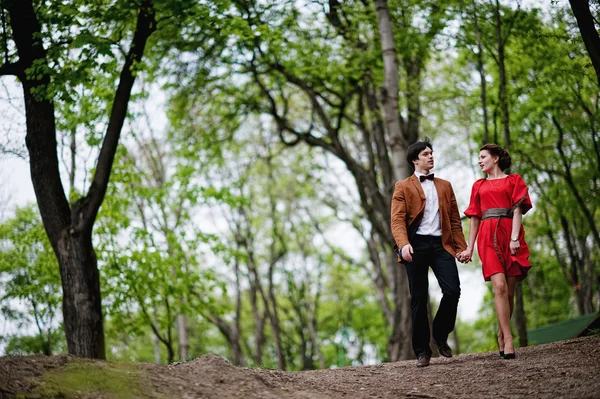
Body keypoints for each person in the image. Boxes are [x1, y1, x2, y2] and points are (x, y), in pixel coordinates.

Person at [391, 138, 467, 367]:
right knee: (419, 298)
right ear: (415, 160)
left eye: (432, 153)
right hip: (416, 246)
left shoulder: (445, 185)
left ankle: (440, 335)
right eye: (425, 154)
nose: (431, 156)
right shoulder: (402, 187)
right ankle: (422, 351)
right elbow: (397, 220)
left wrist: (461, 248)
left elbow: (454, 220)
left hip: (441, 245)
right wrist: (403, 244)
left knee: (453, 290)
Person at [457, 143, 532, 360]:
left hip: (510, 233)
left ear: (496, 158)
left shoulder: (514, 180)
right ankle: (508, 339)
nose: (480, 161)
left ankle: (502, 330)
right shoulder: (478, 186)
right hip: (488, 238)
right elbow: (474, 218)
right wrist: (470, 247)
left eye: (483, 157)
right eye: (479, 158)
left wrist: (514, 238)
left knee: (509, 292)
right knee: (498, 287)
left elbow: (518, 210)